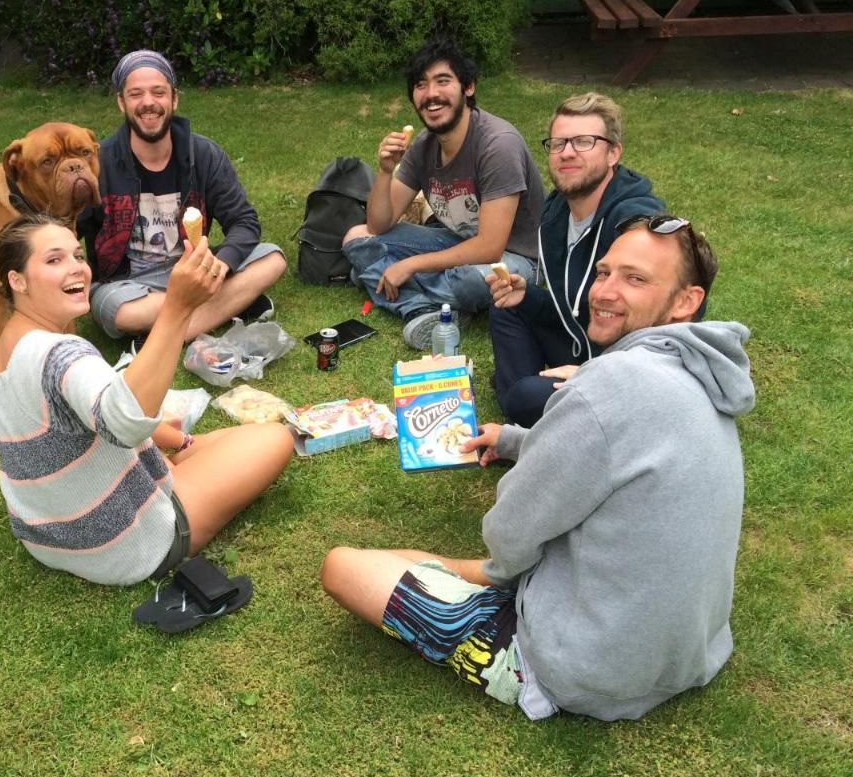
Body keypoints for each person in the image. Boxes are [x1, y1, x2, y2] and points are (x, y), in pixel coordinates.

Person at [322, 215, 755, 721]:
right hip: (688, 652)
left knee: (345, 565)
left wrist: (477, 571)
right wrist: (513, 439)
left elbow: (510, 538)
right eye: (604, 273)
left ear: (685, 301)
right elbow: (614, 452)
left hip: (586, 670)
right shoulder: (699, 371)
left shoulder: (606, 385)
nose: (605, 291)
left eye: (635, 279)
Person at [0, 214, 294, 586]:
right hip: (124, 546)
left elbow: (92, 414)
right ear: (16, 280)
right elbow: (126, 423)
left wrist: (173, 439)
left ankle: (176, 455)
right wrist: (178, 307)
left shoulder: (3, 352)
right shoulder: (63, 355)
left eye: (77, 256)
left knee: (222, 439)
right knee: (274, 438)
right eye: (54, 260)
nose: (76, 270)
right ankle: (174, 472)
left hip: (47, 536)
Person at [341, 34, 544, 350]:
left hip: (517, 260)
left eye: (443, 81)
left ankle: (384, 281)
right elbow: (378, 225)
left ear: (468, 87)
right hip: (458, 244)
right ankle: (423, 309)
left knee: (467, 280)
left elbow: (490, 247)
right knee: (356, 237)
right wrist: (384, 171)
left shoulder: (497, 144)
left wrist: (409, 265)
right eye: (421, 85)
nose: (431, 94)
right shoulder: (423, 145)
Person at [77, 49, 286, 351]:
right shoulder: (100, 162)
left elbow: (244, 221)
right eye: (136, 94)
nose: (148, 102)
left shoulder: (203, 154)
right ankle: (227, 308)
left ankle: (163, 334)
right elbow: (69, 231)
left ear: (174, 99)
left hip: (195, 269)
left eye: (158, 92)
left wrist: (220, 266)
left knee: (273, 259)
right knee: (119, 312)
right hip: (130, 284)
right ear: (122, 102)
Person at [488, 92, 664, 427]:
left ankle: (527, 413)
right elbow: (573, 307)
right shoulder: (556, 211)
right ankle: (527, 412)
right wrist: (529, 296)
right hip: (581, 340)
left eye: (584, 142)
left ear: (613, 152)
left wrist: (593, 372)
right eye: (558, 143)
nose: (567, 153)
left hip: (627, 373)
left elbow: (668, 326)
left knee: (526, 398)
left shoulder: (636, 223)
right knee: (507, 302)